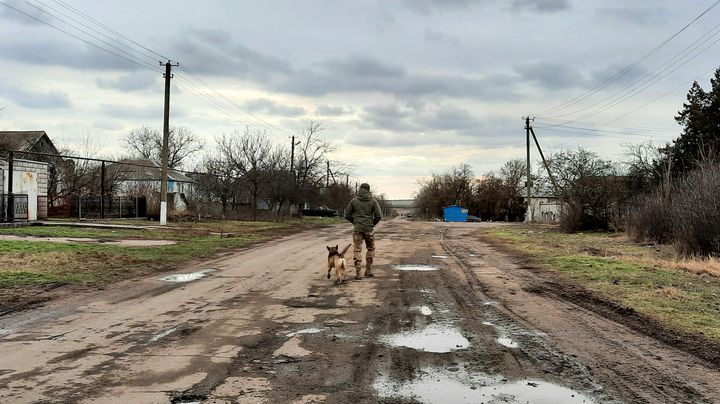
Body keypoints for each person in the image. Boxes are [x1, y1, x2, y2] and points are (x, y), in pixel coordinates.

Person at [344, 183, 383, 279]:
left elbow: (347, 215)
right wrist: (372, 224)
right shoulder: (373, 201)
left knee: (357, 249)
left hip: (357, 229)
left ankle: (358, 273)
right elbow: (379, 215)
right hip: (369, 229)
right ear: (368, 190)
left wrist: (355, 223)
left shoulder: (354, 201)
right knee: (370, 248)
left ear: (360, 189)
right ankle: (368, 270)